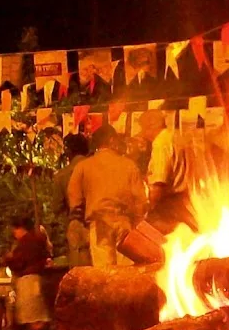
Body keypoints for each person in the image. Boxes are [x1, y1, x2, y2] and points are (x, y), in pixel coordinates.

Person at [67, 125, 147, 268]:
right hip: (125, 223)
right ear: (111, 141)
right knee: (126, 272)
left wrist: (78, 220)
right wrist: (137, 222)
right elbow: (140, 200)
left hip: (99, 224)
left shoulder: (83, 166)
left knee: (104, 272)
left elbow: (74, 198)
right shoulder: (129, 165)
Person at [142, 109, 199, 234]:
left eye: (143, 128)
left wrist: (148, 210)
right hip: (188, 201)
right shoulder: (178, 138)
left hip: (169, 207)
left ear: (152, 125)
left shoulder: (160, 144)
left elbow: (159, 182)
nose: (143, 134)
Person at [2, 215, 53, 330]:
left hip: (28, 279)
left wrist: (8, 259)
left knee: (32, 315)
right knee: (36, 313)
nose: (14, 233)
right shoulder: (38, 240)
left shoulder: (25, 243)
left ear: (21, 228)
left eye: (15, 229)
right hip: (36, 277)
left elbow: (19, 263)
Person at [53, 134, 92, 266]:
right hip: (101, 224)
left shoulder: (62, 175)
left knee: (80, 276)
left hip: (77, 225)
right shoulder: (101, 168)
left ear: (68, 150)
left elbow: (56, 207)